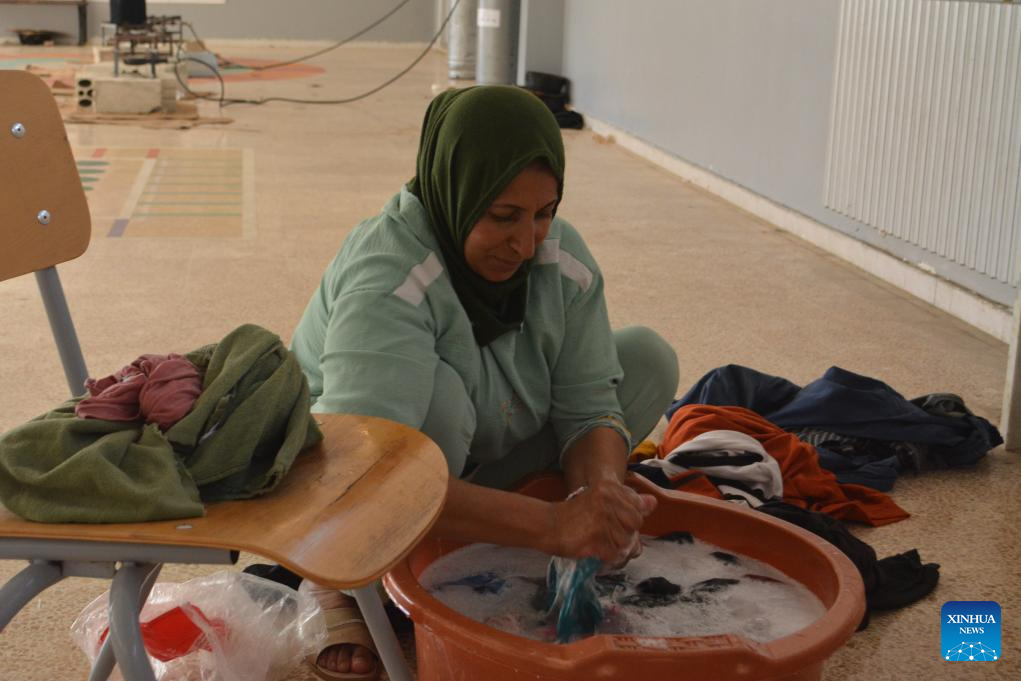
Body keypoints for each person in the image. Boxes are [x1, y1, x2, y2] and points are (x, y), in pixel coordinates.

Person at [290, 85, 679, 679]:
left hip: (475, 453)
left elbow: (590, 407)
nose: (526, 243)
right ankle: (340, 584)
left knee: (648, 360)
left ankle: (477, 521)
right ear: (457, 190)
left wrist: (599, 498)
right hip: (350, 490)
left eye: (544, 213)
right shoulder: (388, 272)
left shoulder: (559, 258)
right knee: (440, 408)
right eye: (503, 216)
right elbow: (364, 471)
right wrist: (554, 526)